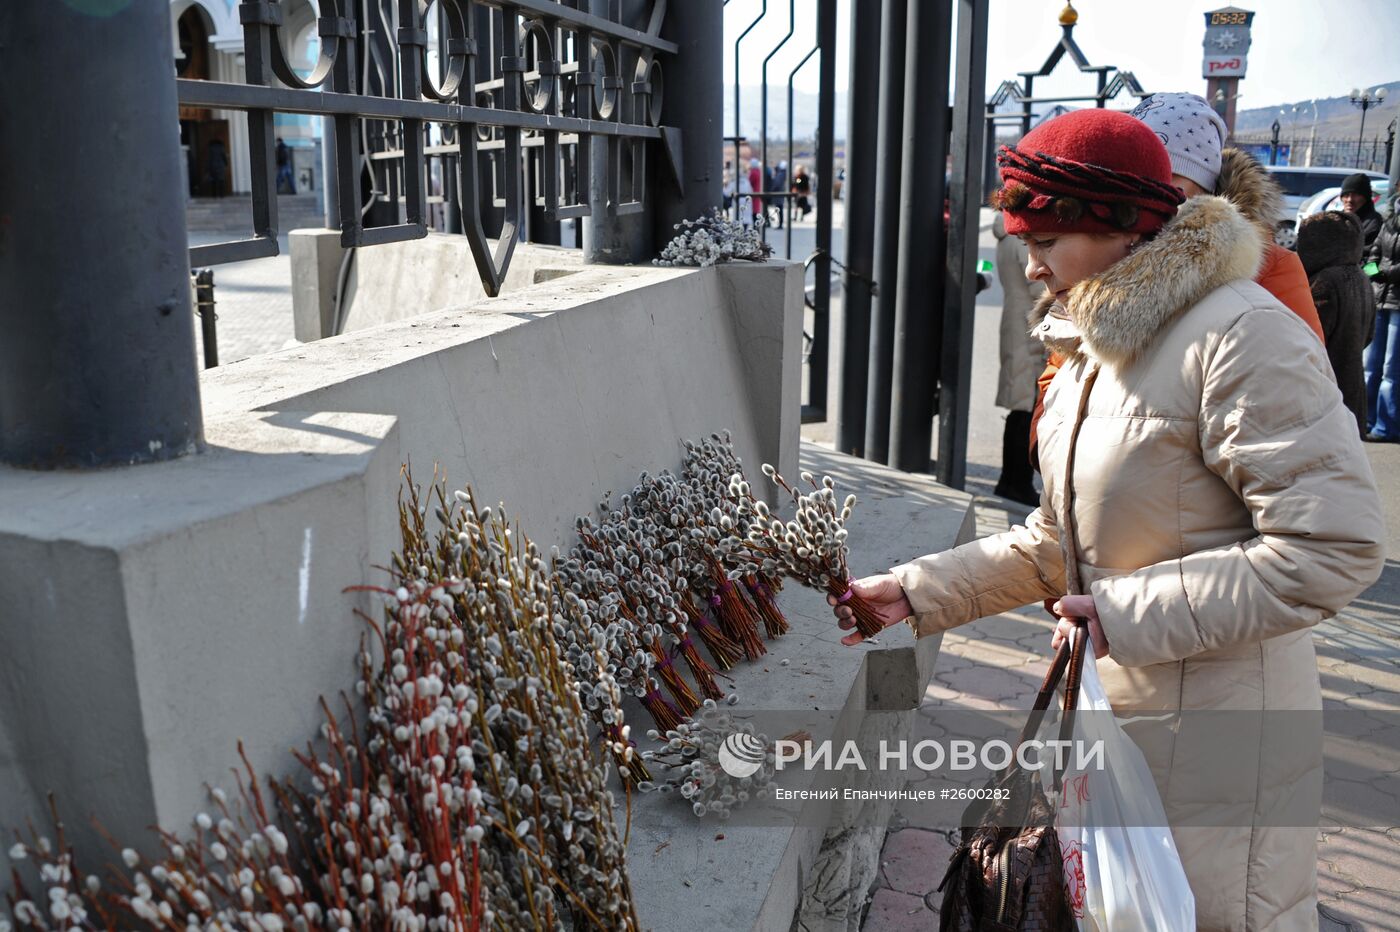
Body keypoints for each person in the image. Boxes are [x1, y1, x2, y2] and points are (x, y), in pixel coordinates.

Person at [829, 108, 1384, 931]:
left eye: (1046, 242)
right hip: (1120, 724)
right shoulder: (1096, 346)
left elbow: (1332, 546)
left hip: (1221, 748)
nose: (1031, 265)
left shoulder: (1241, 336)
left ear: (1123, 228)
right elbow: (1064, 542)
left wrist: (1123, 615)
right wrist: (914, 592)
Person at [1028, 92, 1326, 467]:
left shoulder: (1269, 265)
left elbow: (1298, 402)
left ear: (1205, 185)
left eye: (1168, 180)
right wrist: (1049, 446)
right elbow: (1060, 370)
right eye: (1134, 181)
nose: (1148, 194)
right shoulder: (1107, 255)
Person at [1297, 211, 1376, 435]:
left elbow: (1311, 339)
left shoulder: (1324, 282)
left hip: (1325, 393)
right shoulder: (1361, 277)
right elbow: (1369, 334)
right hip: (1353, 390)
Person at [991, 211, 1045, 506]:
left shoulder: (1006, 234)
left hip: (1016, 320)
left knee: (1020, 404)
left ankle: (1010, 480)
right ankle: (1015, 482)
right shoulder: (1021, 239)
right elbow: (1039, 286)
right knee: (1024, 407)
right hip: (1028, 325)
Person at [1363, 194, 1400, 440]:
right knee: (1369, 366)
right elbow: (1370, 259)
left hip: (1398, 304)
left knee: (1390, 369)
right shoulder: (1389, 222)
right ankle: (1366, 420)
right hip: (1380, 299)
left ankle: (1386, 426)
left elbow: (1383, 268)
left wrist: (1383, 273)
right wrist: (1376, 272)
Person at [1340, 173, 1382, 247]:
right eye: (1346, 195)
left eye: (1355, 195)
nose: (1350, 200)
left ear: (1366, 198)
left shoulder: (1374, 223)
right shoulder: (1336, 219)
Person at [770, 160, 788, 229]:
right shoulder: (783, 174)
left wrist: (772, 190)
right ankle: (780, 223)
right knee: (780, 209)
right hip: (780, 193)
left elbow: (777, 184)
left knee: (779, 209)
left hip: (778, 194)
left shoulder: (780, 174)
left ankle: (780, 224)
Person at [748, 158, 763, 225]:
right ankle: (757, 226)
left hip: (754, 193)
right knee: (757, 210)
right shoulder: (759, 171)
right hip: (758, 192)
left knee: (754, 211)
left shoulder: (753, 172)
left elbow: (749, 182)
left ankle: (755, 226)